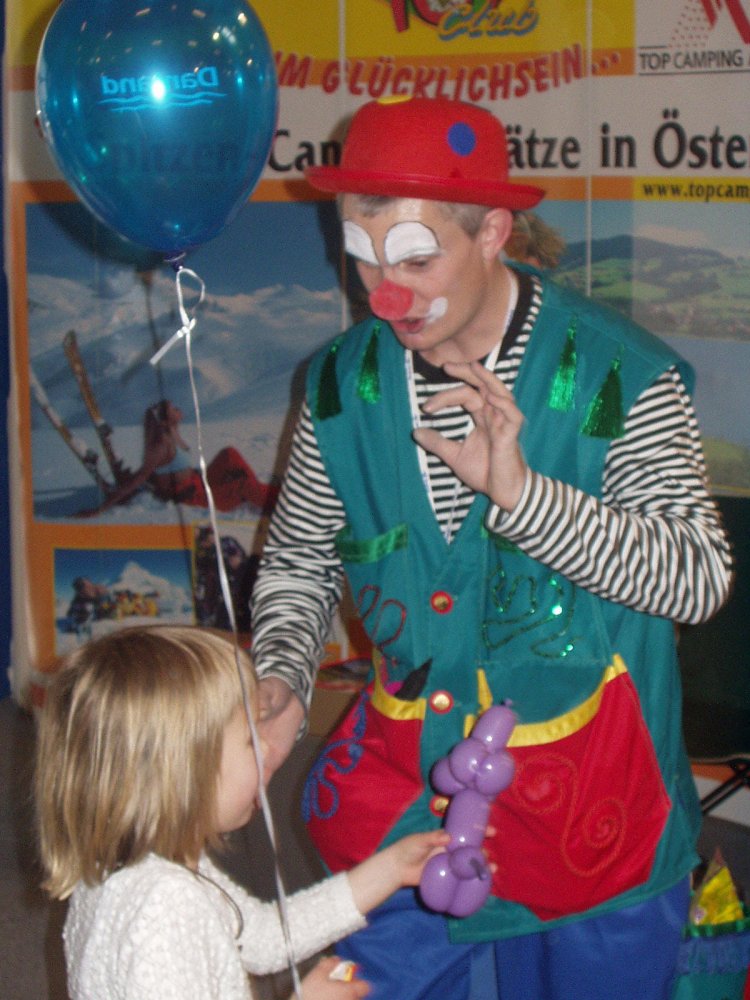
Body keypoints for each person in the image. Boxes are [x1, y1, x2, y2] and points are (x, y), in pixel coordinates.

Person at [250, 96, 734, 1000]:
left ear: (493, 233)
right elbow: (300, 558)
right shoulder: (339, 389)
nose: (384, 293)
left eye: (415, 259)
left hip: (593, 823)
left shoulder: (619, 376)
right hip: (408, 810)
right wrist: (281, 674)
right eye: (363, 259)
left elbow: (696, 577)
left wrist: (523, 497)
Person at [34, 625, 449, 1000]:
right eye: (250, 739)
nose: (269, 747)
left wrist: (392, 868)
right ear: (184, 771)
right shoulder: (166, 906)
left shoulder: (142, 867)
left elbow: (265, 938)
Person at [77, 399, 278, 516]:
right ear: (164, 421)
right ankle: (282, 504)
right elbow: (138, 479)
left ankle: (262, 493)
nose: (178, 409)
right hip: (192, 497)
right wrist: (101, 509)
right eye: (173, 409)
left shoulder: (171, 430)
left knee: (229, 454)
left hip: (198, 482)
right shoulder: (159, 446)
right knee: (243, 486)